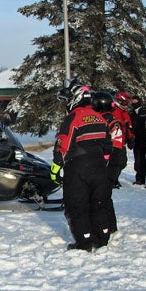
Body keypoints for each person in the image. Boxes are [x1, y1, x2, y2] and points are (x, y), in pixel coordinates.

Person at [51, 82, 112, 252]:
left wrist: (56, 167)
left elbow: (64, 141)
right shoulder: (99, 117)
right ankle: (102, 237)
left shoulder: (74, 116)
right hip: (99, 165)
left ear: (75, 99)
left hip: (78, 165)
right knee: (98, 203)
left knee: (76, 204)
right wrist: (102, 161)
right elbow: (108, 145)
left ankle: (84, 242)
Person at [91, 91, 120, 233]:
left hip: (112, 161)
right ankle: (107, 225)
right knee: (101, 194)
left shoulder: (111, 122)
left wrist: (106, 159)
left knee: (103, 194)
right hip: (103, 160)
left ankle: (109, 226)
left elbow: (116, 145)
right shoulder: (98, 119)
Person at [110, 91, 134, 188]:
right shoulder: (114, 111)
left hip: (122, 141)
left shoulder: (124, 113)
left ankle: (113, 178)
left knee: (122, 162)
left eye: (126, 103)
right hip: (114, 142)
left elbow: (128, 126)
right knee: (115, 162)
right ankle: (112, 180)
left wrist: (131, 138)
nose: (125, 105)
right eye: (124, 103)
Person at [129, 95, 146, 185]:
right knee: (139, 162)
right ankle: (140, 179)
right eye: (133, 101)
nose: (134, 103)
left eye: (136, 101)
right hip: (137, 141)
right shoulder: (131, 113)